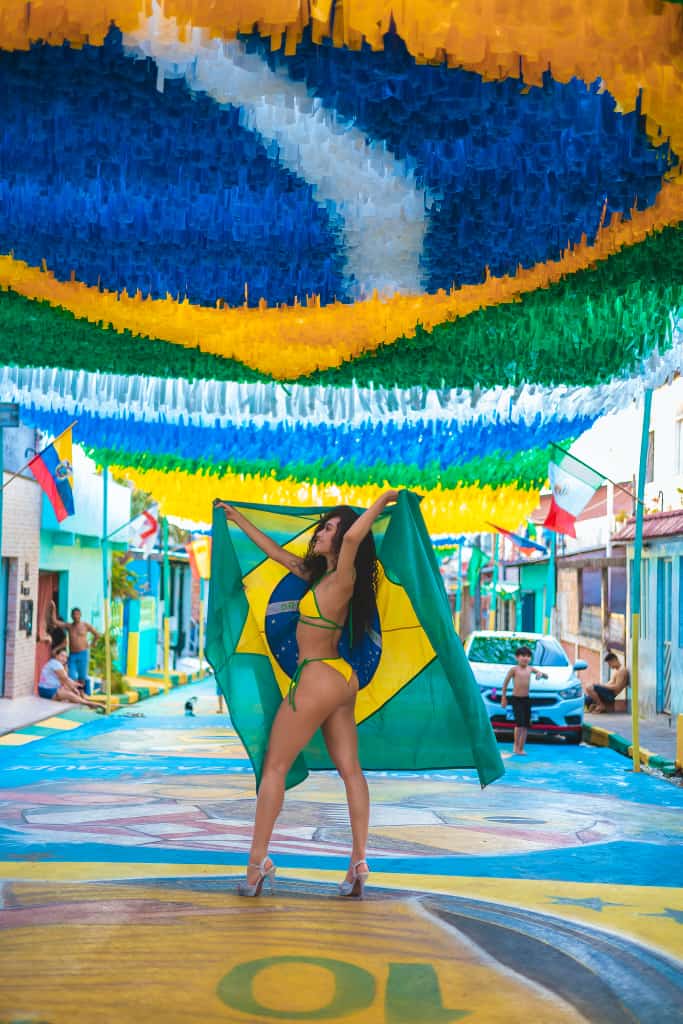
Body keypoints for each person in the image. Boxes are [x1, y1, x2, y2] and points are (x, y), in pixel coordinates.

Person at [214, 489, 399, 898]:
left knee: (274, 767)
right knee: (351, 770)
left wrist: (383, 499)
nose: (321, 533)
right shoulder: (318, 577)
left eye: (330, 528)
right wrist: (237, 518)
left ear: (344, 537)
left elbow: (355, 538)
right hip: (340, 680)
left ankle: (256, 864)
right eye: (323, 527)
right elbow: (273, 552)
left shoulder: (345, 576)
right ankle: (358, 862)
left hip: (317, 677)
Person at [500, 645, 548, 755]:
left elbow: (546, 676)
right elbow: (505, 683)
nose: (525, 658)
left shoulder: (530, 669)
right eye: (523, 656)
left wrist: (541, 674)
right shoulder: (514, 670)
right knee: (519, 724)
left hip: (526, 699)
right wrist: (503, 697)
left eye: (528, 656)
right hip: (516, 699)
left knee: (526, 724)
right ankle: (516, 746)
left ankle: (521, 747)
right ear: (517, 657)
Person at [49, 604, 99, 693]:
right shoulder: (69, 626)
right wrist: (54, 608)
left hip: (83, 653)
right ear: (71, 616)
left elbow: (97, 634)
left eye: (77, 614)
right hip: (73, 654)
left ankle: (82, 693)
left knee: (82, 676)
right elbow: (55, 622)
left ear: (80, 615)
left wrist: (92, 644)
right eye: (74, 614)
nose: (76, 616)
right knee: (71, 675)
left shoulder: (85, 625)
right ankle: (74, 693)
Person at [38, 646, 104, 710]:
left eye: (66, 657)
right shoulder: (56, 664)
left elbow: (65, 680)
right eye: (62, 656)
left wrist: (74, 688)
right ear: (56, 656)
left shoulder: (55, 663)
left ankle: (83, 701)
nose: (64, 659)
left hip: (46, 690)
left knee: (69, 691)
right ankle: (88, 703)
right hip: (48, 691)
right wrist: (75, 689)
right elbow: (66, 679)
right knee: (69, 694)